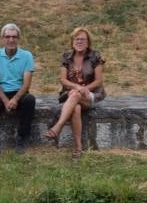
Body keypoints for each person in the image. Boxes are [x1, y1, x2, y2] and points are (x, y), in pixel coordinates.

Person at [43, 27, 105, 159]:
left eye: (83, 39)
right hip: (72, 95)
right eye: (77, 39)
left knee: (76, 95)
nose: (80, 42)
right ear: (72, 42)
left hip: (90, 95)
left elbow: (99, 81)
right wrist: (77, 87)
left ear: (88, 42)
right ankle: (78, 148)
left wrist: (85, 89)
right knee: (75, 106)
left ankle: (57, 127)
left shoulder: (95, 56)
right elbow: (63, 80)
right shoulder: (67, 57)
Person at [0, 23, 36, 159]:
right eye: (7, 37)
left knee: (30, 100)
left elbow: (27, 83)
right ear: (2, 39)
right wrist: (6, 101)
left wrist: (15, 99)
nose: (11, 40)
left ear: (19, 38)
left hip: (20, 92)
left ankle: (21, 141)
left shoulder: (27, 55)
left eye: (14, 37)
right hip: (0, 93)